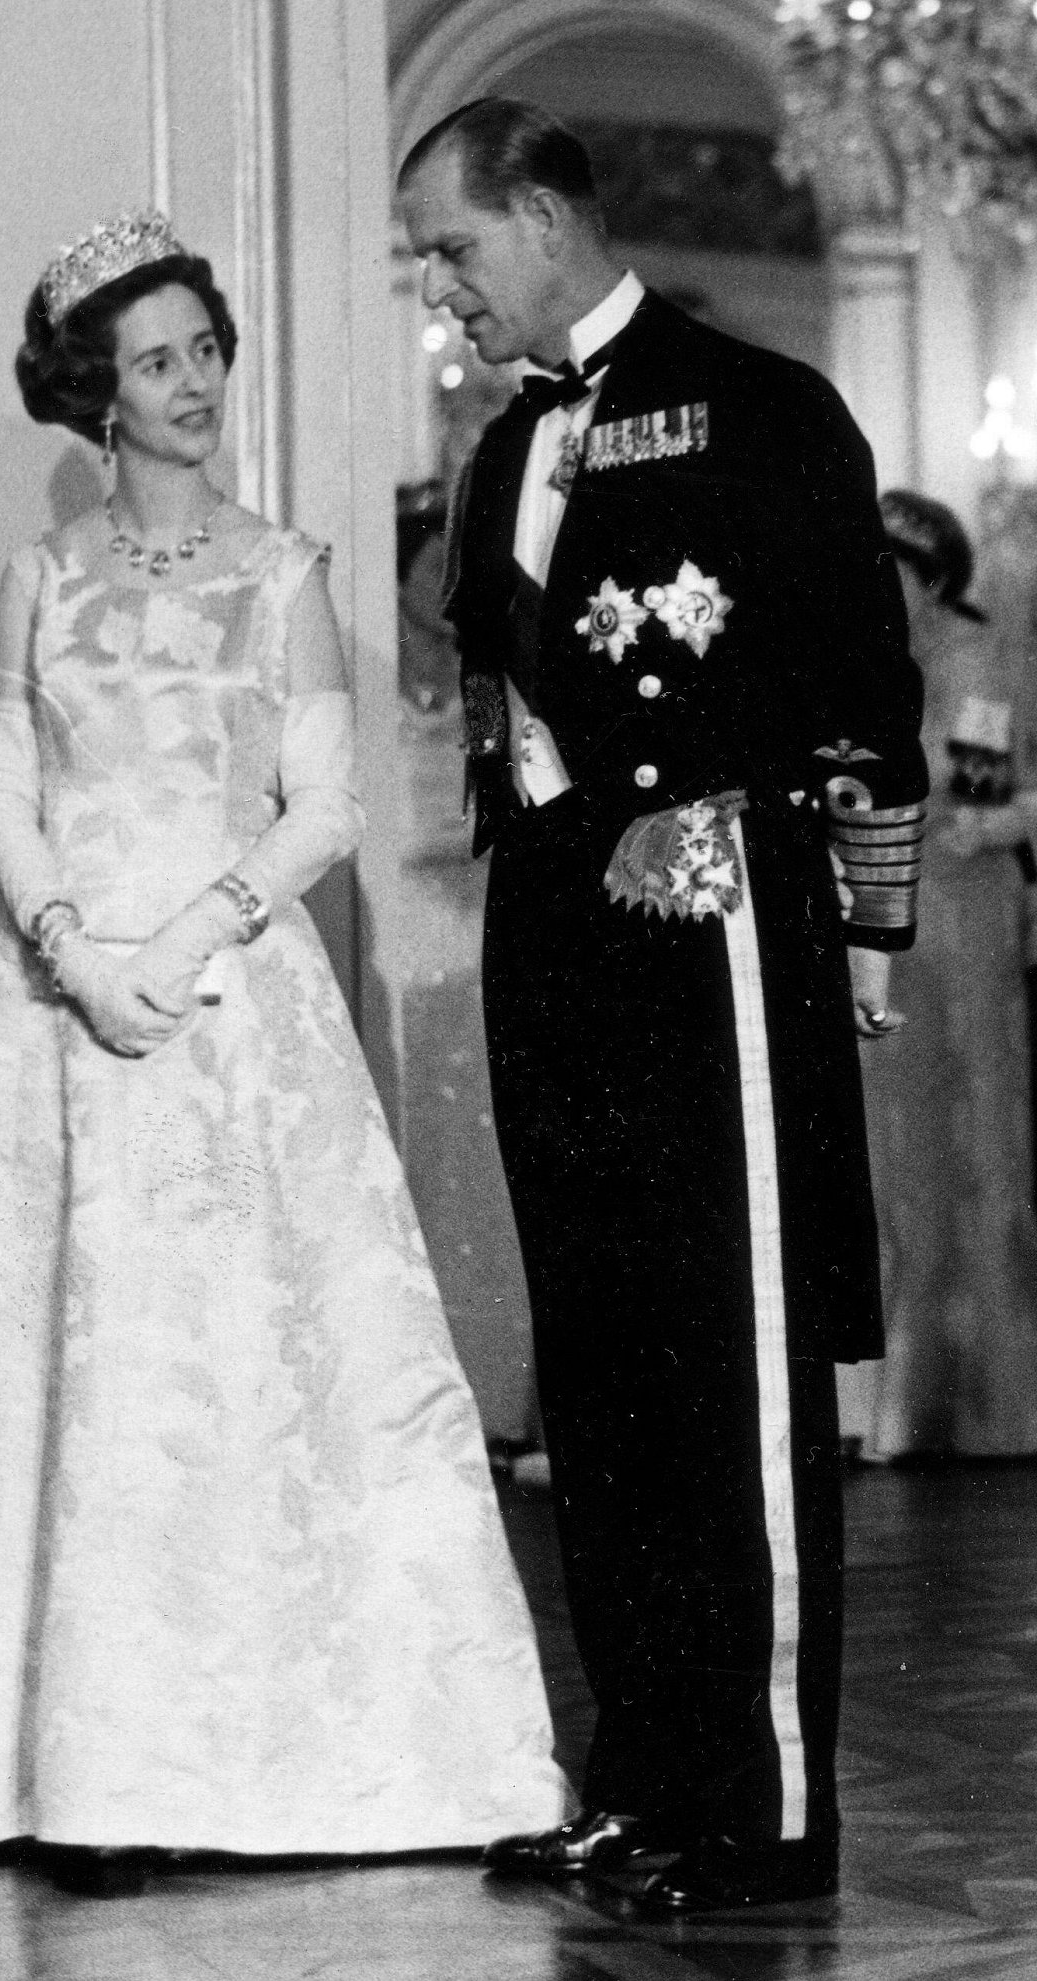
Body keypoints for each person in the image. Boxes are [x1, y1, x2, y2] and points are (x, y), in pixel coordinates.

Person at [0, 212, 567, 1895]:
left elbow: (324, 806)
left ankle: (284, 1757)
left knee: (243, 1372)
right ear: (95, 391)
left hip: (232, 1010)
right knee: (92, 1379)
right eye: (156, 360)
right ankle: (95, 1770)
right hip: (65, 1015)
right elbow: (3, 786)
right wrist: (74, 953)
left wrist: (172, 950)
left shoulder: (284, 570)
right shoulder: (41, 577)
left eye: (205, 350)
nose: (193, 384)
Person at [398, 100, 928, 1912]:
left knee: (732, 1370)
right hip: (556, 937)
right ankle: (643, 1782)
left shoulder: (763, 408)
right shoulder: (504, 448)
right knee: (606, 1378)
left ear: (547, 218)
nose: (443, 290)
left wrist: (859, 927)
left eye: (456, 249)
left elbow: (859, 684)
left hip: (714, 927)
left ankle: (760, 1814)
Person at [859, 491, 1037, 1456]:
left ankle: (992, 1403)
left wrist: (993, 819)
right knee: (904, 1154)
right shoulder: (866, 665)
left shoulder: (981, 663)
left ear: (931, 579)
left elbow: (980, 792)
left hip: (966, 922)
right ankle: (911, 1398)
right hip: (893, 928)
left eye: (892, 572)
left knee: (981, 1143)